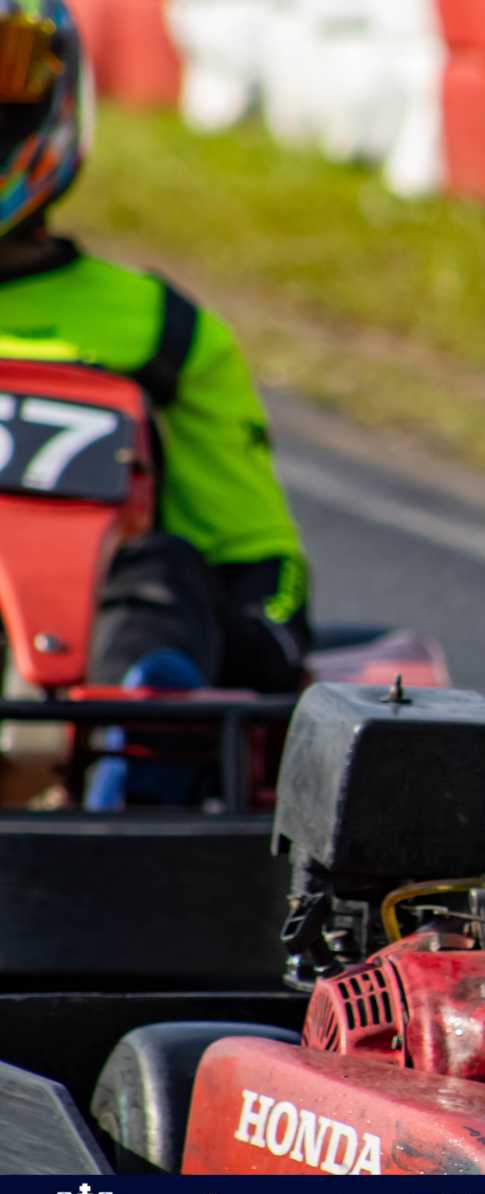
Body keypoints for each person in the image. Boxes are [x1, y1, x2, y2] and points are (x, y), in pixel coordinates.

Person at [0, 2, 309, 787]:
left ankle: (138, 756)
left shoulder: (158, 328)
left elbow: (254, 559)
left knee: (159, 570)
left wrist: (266, 635)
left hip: (80, 664)